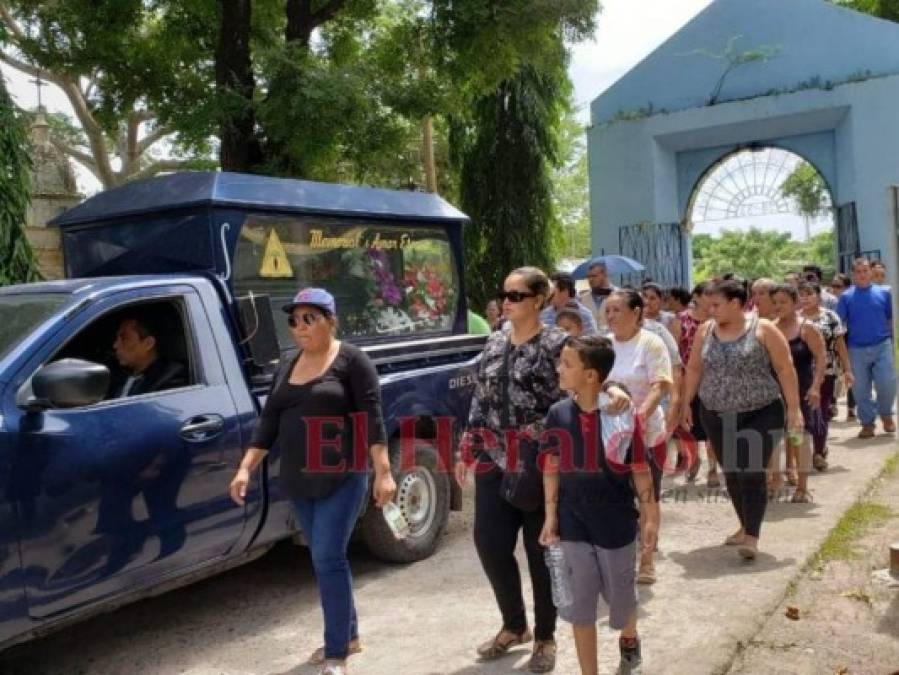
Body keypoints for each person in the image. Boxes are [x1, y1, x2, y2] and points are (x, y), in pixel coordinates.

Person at [229, 288, 396, 675]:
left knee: (326, 557)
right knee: (326, 559)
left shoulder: (353, 361)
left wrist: (383, 472)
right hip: (299, 479)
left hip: (343, 475)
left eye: (310, 318)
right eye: (293, 320)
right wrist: (245, 467)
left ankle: (336, 651)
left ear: (330, 320)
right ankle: (349, 635)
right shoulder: (288, 364)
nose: (299, 327)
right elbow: (269, 420)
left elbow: (373, 418)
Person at [539, 335, 658, 675]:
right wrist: (550, 516)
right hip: (573, 523)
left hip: (616, 524)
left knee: (622, 600)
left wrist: (650, 517)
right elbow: (550, 466)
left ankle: (630, 638)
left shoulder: (622, 415)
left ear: (591, 376)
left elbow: (640, 470)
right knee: (580, 608)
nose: (558, 368)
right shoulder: (557, 414)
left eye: (567, 363)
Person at [680, 280, 801, 559]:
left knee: (750, 470)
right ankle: (746, 523)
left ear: (735, 304)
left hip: (761, 411)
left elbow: (785, 368)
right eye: (707, 305)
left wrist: (794, 409)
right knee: (732, 473)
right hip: (715, 413)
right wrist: (686, 402)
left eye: (715, 305)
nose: (710, 311)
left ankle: (752, 537)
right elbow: (695, 368)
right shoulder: (705, 331)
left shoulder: (763, 329)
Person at [604, 289, 672, 584]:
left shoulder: (651, 343)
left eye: (617, 310)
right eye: (607, 310)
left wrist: (639, 417)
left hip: (646, 433)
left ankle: (646, 560)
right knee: (616, 499)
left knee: (646, 497)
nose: (611, 316)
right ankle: (620, 554)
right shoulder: (603, 345)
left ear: (636, 312)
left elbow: (660, 386)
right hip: (609, 435)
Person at [771, 284, 826, 503]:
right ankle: (775, 480)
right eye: (774, 303)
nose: (778, 307)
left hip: (801, 391)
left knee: (798, 438)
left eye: (783, 302)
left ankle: (802, 487)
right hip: (773, 392)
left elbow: (821, 358)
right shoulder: (770, 329)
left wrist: (816, 387)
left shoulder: (807, 328)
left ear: (795, 303)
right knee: (773, 438)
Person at [837, 258, 896, 438]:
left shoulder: (884, 294)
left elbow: (889, 320)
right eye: (858, 272)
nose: (862, 275)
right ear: (853, 275)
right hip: (856, 348)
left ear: (871, 272)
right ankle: (867, 423)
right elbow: (839, 326)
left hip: (882, 345)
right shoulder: (846, 297)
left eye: (865, 271)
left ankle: (886, 415)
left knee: (887, 382)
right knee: (860, 388)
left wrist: (892, 344)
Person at [799, 281, 854, 464]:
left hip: (826, 372)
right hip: (801, 372)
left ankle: (819, 452)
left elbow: (840, 346)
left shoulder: (830, 317)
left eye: (809, 294)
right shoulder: (795, 318)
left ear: (818, 296)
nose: (805, 298)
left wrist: (847, 370)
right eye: (802, 294)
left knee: (820, 412)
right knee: (803, 413)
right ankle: (801, 456)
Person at [677, 282, 719, 486]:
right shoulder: (683, 319)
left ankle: (713, 468)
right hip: (688, 379)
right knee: (688, 424)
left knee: (712, 423)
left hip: (714, 379)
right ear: (698, 296)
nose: (713, 299)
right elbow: (676, 352)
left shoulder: (719, 319)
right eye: (708, 294)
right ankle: (694, 459)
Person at [110, 311, 188, 397]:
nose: (115, 345)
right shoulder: (116, 373)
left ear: (148, 343)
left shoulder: (170, 378)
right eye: (117, 339)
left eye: (124, 338)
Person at [830, 273, 855, 420]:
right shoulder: (830, 303)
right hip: (834, 340)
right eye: (833, 286)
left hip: (849, 338)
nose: (834, 289)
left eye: (838, 286)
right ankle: (831, 404)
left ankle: (851, 407)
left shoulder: (851, 301)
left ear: (847, 287)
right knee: (833, 372)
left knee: (849, 371)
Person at [578, 261, 617, 334]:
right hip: (589, 342)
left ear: (605, 275)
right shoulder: (582, 298)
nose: (590, 279)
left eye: (594, 276)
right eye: (588, 277)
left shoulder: (619, 295)